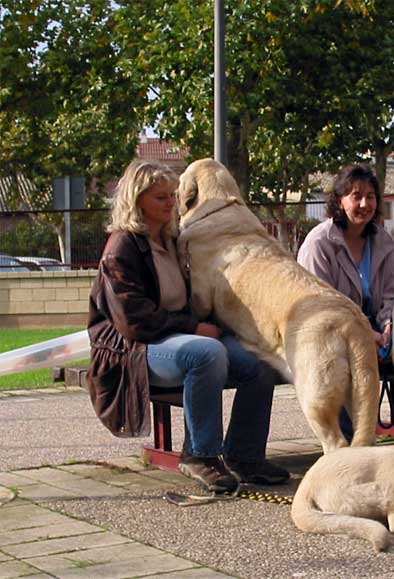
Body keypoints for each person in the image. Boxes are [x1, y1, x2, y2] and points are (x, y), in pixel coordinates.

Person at [87, 160, 289, 494]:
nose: (171, 203)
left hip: (180, 337)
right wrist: (193, 327)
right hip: (134, 348)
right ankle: (200, 456)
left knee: (261, 360)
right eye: (160, 198)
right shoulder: (121, 248)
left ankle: (245, 456)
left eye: (171, 195)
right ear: (136, 201)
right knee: (205, 353)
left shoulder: (173, 238)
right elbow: (133, 320)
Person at [297, 163, 394, 440]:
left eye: (371, 196)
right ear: (340, 200)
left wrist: (390, 325)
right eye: (356, 196)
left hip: (376, 331)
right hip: (329, 334)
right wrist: (365, 334)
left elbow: (392, 294)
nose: (365, 203)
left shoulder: (385, 242)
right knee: (340, 357)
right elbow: (322, 306)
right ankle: (349, 444)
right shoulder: (318, 244)